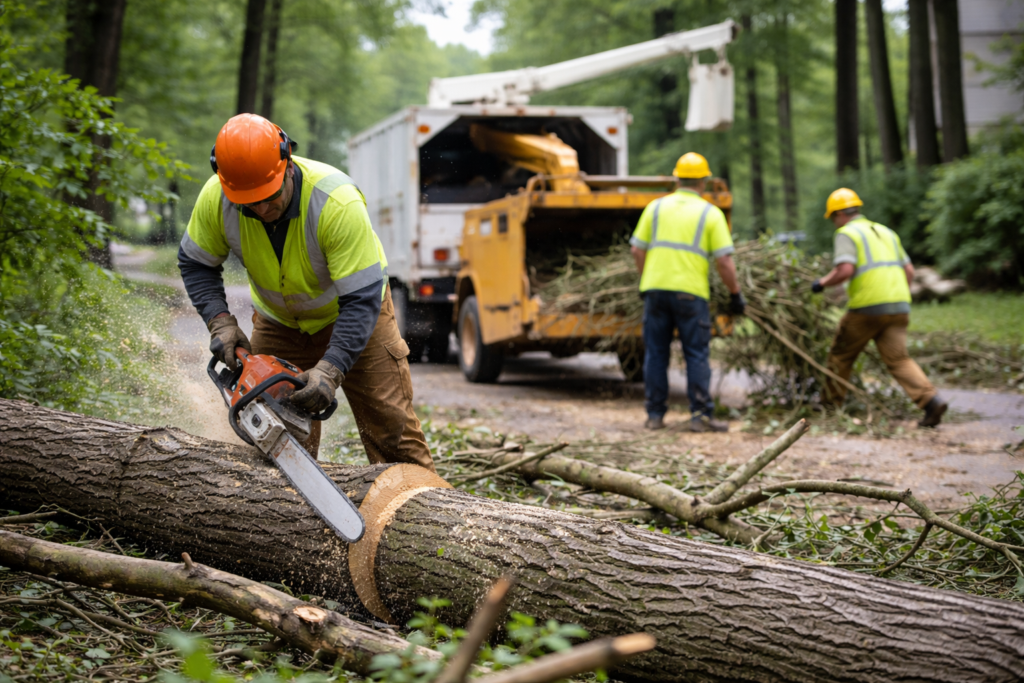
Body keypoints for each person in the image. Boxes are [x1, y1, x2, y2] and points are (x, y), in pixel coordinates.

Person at [178, 113, 435, 470]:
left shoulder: (335, 202)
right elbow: (195, 262)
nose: (262, 209)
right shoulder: (217, 200)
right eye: (249, 203)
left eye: (269, 197)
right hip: (279, 321)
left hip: (356, 315)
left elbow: (361, 300)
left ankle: (422, 510)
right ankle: (285, 516)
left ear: (287, 164)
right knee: (272, 432)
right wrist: (220, 322)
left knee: (390, 427)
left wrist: (330, 370)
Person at [629, 152, 746, 432]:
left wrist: (647, 277)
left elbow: (636, 249)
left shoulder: (655, 208)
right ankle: (700, 417)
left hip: (655, 291)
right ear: (704, 181)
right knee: (695, 354)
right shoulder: (710, 213)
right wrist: (735, 293)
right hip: (691, 295)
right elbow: (724, 261)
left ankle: (655, 416)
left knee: (656, 353)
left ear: (676, 179)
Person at [812, 188, 947, 427]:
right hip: (899, 306)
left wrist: (821, 283)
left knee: (841, 356)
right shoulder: (886, 232)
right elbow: (909, 271)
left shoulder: (847, 233)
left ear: (839, 214)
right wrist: (896, 297)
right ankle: (931, 401)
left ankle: (830, 409)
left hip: (867, 307)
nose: (834, 223)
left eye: (833, 217)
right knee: (899, 359)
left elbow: (845, 270)